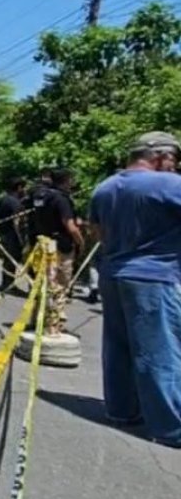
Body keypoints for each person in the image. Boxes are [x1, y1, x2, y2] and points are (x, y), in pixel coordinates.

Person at [89, 131, 181, 447]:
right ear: (160, 155)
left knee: (119, 345)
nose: (175, 165)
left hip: (113, 273)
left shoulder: (104, 187)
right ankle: (171, 427)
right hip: (153, 276)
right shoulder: (170, 184)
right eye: (174, 159)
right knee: (159, 349)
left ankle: (122, 410)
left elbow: (98, 232)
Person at [30, 167, 85, 334]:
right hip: (61, 247)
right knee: (59, 286)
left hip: (43, 245)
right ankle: (54, 324)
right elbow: (70, 226)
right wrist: (80, 241)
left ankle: (37, 320)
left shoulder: (40, 196)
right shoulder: (62, 199)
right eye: (71, 179)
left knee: (43, 284)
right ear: (66, 180)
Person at [0, 176, 26, 294]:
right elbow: (16, 221)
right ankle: (8, 285)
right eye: (23, 188)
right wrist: (21, 238)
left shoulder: (3, 199)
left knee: (8, 260)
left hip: (2, 233)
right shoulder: (15, 202)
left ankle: (6, 283)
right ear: (19, 187)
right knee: (12, 259)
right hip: (11, 235)